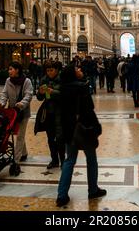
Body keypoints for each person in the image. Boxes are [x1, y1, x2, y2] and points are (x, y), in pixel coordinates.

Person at [56, 63, 106, 207]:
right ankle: (93, 189)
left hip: (69, 129)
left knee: (69, 161)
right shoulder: (82, 87)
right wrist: (95, 127)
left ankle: (62, 195)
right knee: (91, 159)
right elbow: (89, 108)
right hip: (84, 129)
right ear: (73, 73)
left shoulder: (63, 88)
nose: (80, 70)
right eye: (77, 69)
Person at [0, 61, 33, 172]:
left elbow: (29, 95)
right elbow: (4, 94)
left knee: (20, 136)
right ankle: (24, 153)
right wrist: (2, 102)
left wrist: (22, 104)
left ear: (17, 70)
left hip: (23, 112)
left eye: (11, 69)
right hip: (12, 112)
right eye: (9, 69)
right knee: (17, 134)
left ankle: (16, 160)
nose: (9, 71)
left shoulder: (26, 81)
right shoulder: (8, 81)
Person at [36, 61, 65, 169]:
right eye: (47, 70)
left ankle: (63, 160)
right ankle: (54, 160)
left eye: (51, 70)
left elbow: (64, 95)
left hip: (60, 112)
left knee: (60, 138)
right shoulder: (44, 80)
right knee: (50, 138)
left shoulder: (62, 79)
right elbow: (40, 97)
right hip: (49, 112)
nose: (49, 73)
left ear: (57, 70)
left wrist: (52, 92)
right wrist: (40, 93)